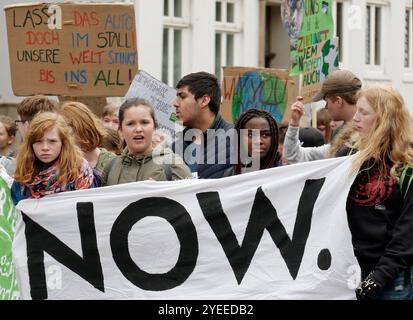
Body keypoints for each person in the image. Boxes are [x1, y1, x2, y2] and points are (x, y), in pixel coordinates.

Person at [345, 85, 413, 300]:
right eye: (356, 110)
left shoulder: (407, 169)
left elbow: (407, 235)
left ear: (384, 119)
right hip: (346, 273)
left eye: (363, 112)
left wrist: (378, 277)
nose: (355, 118)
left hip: (391, 281)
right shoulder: (347, 157)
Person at [11, 112, 98, 205]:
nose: (45, 147)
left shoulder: (80, 171)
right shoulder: (24, 171)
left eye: (52, 141)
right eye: (38, 141)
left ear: (63, 142)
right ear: (30, 144)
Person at [103, 98, 192, 186]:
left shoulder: (172, 165)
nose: (138, 129)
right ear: (121, 129)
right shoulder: (111, 167)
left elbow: (190, 197)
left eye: (144, 122)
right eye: (130, 124)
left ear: (154, 127)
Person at [173, 72, 234, 179]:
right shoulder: (176, 147)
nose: (175, 103)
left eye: (182, 97)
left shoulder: (236, 141)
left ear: (204, 100)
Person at [60, 101, 116, 174]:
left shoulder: (111, 162)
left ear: (84, 129)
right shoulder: (62, 163)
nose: (65, 140)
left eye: (69, 134)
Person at [231, 109, 282, 175]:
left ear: (274, 138)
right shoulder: (228, 175)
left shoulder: (284, 175)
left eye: (265, 135)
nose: (258, 141)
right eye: (250, 135)